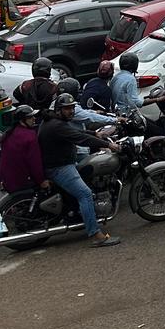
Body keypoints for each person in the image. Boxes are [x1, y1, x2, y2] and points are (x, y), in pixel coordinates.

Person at [38, 93, 121, 247]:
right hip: (59, 168)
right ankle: (97, 235)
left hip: (61, 164)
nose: (71, 111)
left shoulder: (55, 121)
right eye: (67, 108)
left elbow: (75, 132)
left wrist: (95, 133)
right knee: (85, 194)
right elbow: (81, 139)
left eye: (72, 108)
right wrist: (108, 144)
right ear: (58, 110)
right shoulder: (56, 125)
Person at [0, 105, 49, 193]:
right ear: (22, 120)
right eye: (30, 117)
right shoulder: (30, 136)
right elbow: (35, 163)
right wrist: (42, 181)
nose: (34, 119)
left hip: (6, 179)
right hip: (20, 181)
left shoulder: (9, 133)